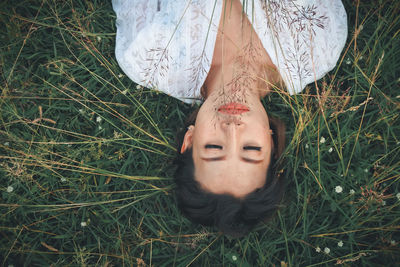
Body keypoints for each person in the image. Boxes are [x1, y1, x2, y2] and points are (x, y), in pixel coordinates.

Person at [113, 0, 347, 236]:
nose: (233, 128)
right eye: (251, 149)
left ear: (190, 141)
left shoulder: (150, 61)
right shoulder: (315, 49)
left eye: (214, 147)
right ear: (272, 144)